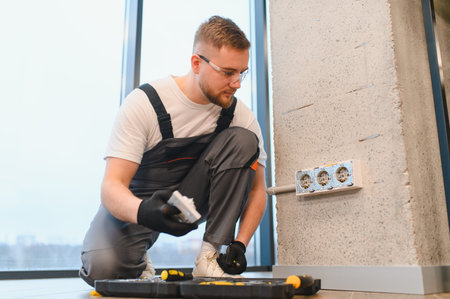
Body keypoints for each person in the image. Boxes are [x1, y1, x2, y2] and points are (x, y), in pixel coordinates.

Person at [79, 15, 267, 286]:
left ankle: (209, 258)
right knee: (103, 268)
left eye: (242, 73)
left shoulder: (240, 115)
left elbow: (256, 190)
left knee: (244, 140)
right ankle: (137, 260)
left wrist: (239, 243)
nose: (237, 83)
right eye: (228, 72)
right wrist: (144, 211)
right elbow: (111, 186)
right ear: (196, 63)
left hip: (193, 198)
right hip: (141, 202)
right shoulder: (145, 104)